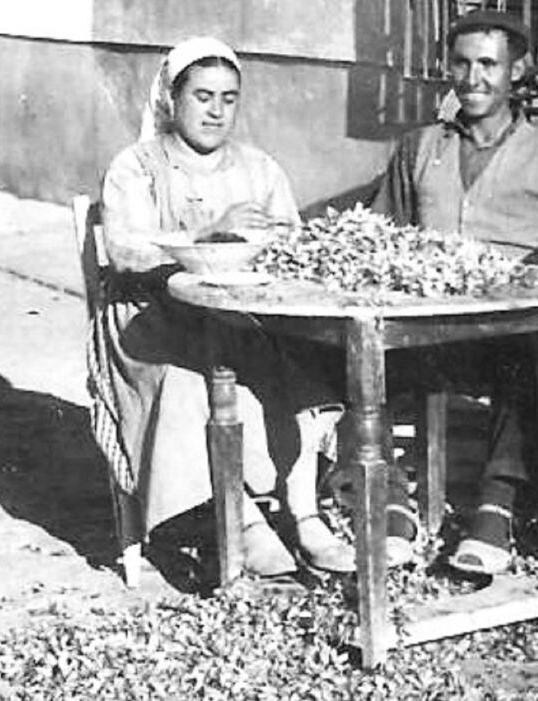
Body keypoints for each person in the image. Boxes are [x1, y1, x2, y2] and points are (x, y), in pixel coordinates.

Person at [97, 36, 354, 576]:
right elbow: (124, 251)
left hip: (241, 315)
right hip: (151, 321)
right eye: (203, 96)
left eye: (229, 98)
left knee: (301, 368)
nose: (216, 111)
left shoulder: (259, 168)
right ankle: (244, 522)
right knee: (197, 383)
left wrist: (280, 244)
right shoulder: (137, 166)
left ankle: (304, 515)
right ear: (172, 99)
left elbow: (293, 243)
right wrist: (211, 232)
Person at [372, 9, 538, 574]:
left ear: (516, 71)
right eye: (462, 63)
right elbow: (382, 235)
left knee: (536, 359)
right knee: (368, 356)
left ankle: (495, 507)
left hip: (511, 326)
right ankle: (394, 498)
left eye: (489, 65)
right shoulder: (419, 147)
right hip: (427, 322)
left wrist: (508, 281)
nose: (473, 78)